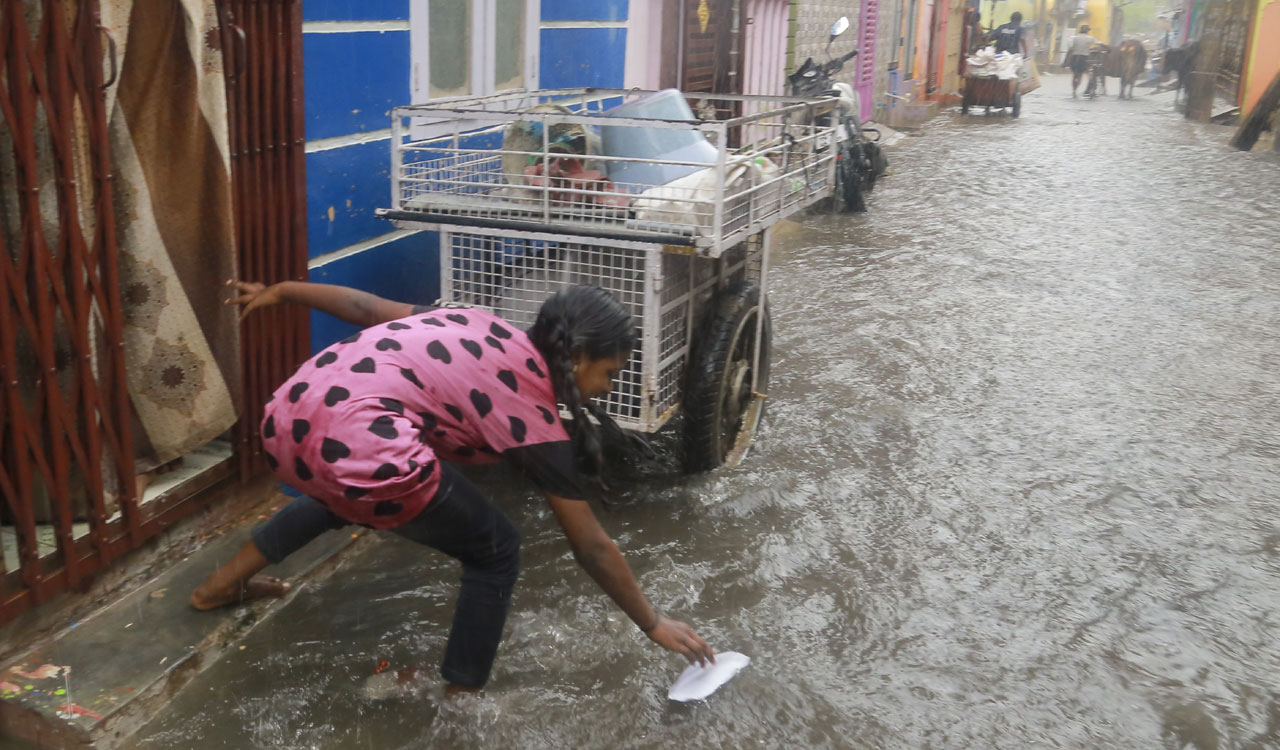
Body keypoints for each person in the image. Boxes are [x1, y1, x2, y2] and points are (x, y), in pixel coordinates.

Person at [190, 279, 716, 695]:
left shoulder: (475, 322)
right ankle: (461, 699)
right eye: (608, 372)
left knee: (345, 493)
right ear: (576, 359)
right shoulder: (532, 417)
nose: (605, 387)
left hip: (288, 416)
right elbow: (592, 547)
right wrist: (652, 623)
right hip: (359, 441)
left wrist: (281, 291)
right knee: (498, 550)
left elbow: (366, 308)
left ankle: (219, 587)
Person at [1067, 24, 1100, 97]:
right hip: (1084, 58)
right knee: (1081, 74)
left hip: (1074, 58)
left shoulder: (1074, 38)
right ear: (1087, 31)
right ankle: (1085, 86)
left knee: (1075, 74)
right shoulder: (1090, 38)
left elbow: (1070, 47)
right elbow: (1098, 43)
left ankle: (1074, 90)